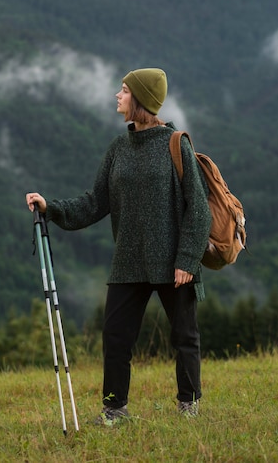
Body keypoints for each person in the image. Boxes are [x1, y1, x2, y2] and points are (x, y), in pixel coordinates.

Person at [26, 67, 211, 425]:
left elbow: (199, 210)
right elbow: (96, 201)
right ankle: (115, 411)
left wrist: (187, 259)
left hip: (175, 263)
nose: (117, 95)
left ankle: (189, 408)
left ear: (140, 99)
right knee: (115, 337)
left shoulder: (176, 145)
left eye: (124, 90)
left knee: (184, 336)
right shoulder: (118, 148)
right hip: (129, 261)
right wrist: (52, 208)